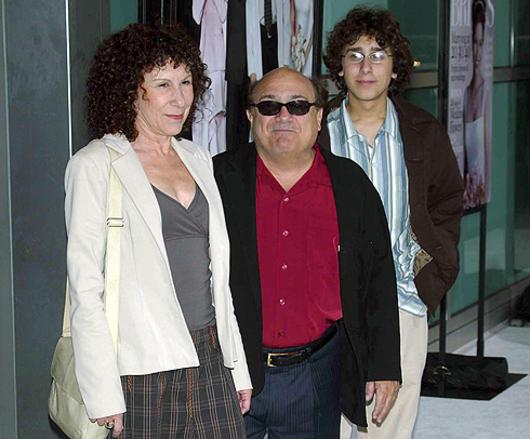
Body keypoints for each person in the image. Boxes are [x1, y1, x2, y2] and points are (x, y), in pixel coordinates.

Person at [64, 24, 251, 438]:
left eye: (186, 82)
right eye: (163, 84)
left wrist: (237, 366)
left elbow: (219, 279)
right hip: (141, 367)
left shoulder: (197, 158)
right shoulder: (96, 165)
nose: (180, 98)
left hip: (210, 355)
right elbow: (85, 288)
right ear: (131, 90)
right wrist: (102, 392)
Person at [213, 66, 401, 439]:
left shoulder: (350, 185)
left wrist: (384, 366)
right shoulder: (216, 179)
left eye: (298, 106)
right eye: (269, 106)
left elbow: (378, 279)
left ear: (318, 117)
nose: (284, 116)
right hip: (230, 370)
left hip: (315, 373)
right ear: (251, 116)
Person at [322, 6, 464, 439]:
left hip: (402, 299)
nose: (366, 67)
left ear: (396, 67)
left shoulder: (422, 131)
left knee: (390, 426)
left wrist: (432, 273)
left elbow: (447, 202)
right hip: (328, 303)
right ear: (339, 67)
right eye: (355, 54)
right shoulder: (315, 129)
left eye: (378, 55)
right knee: (326, 424)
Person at [463, 0, 491, 208]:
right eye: (474, 42)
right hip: (466, 189)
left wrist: (483, 193)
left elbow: (487, 153)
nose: (477, 51)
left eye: (481, 43)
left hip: (479, 191)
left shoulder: (486, 93)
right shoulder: (465, 93)